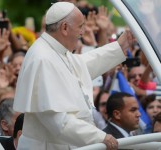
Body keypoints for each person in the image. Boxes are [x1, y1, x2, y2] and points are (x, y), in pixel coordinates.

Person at [13, 2, 134, 150]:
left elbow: (82, 65)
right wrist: (100, 137)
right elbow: (58, 121)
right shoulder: (42, 58)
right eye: (80, 26)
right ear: (64, 27)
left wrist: (118, 47)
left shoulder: (55, 50)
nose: (83, 31)